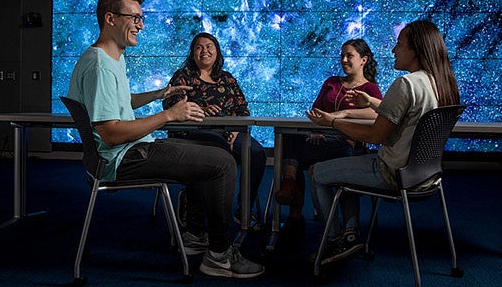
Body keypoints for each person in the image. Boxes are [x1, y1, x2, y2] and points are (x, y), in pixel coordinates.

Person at [66, 0, 264, 279]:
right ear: (110, 19)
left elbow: (120, 103)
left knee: (211, 156)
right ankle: (219, 257)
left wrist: (159, 94)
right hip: (124, 157)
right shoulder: (101, 66)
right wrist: (170, 113)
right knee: (221, 162)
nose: (141, 25)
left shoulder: (109, 59)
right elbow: (112, 133)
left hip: (126, 152)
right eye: (134, 18)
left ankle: (196, 236)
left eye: (141, 18)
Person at [306, 20, 460, 266]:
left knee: (316, 173)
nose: (393, 50)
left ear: (416, 50)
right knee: (346, 167)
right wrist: (372, 102)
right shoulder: (442, 84)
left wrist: (333, 122)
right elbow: (407, 114)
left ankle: (336, 240)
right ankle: (350, 232)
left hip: (391, 172)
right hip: (426, 176)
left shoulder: (406, 83)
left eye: (399, 45)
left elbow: (375, 136)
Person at [274, 39, 383, 242]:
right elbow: (316, 110)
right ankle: (290, 189)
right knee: (288, 137)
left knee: (337, 154)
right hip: (320, 137)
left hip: (347, 141)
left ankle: (348, 228)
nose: (343, 60)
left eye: (349, 55)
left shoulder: (370, 90)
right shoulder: (331, 82)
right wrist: (316, 130)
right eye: (342, 55)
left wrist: (342, 114)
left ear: (363, 60)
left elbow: (379, 113)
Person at [163, 32, 268, 230]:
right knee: (215, 152)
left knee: (256, 154)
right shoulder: (183, 76)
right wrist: (200, 110)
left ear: (217, 52)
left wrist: (235, 131)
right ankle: (198, 211)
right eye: (199, 47)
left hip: (230, 133)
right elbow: (170, 103)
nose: (205, 51)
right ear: (192, 53)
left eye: (209, 46)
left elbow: (242, 109)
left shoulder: (227, 79)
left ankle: (243, 210)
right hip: (194, 133)